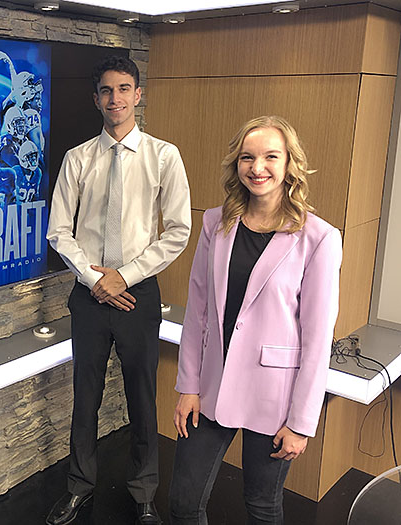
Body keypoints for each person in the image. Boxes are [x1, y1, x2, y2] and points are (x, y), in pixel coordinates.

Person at [170, 116, 342, 524]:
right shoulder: (215, 223)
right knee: (182, 503)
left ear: (288, 166)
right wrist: (188, 385)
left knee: (262, 507)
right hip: (210, 384)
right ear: (236, 164)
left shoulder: (318, 237)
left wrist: (301, 422)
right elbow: (198, 311)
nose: (257, 167)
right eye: (247, 157)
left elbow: (317, 339)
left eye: (270, 156)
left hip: (275, 398)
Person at [46, 55, 191, 525]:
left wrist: (121, 277)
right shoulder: (77, 159)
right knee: (83, 398)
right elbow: (58, 232)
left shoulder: (164, 156)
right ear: (96, 99)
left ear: (138, 94)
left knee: (141, 397)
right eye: (107, 91)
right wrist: (96, 280)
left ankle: (144, 491)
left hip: (137, 294)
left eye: (124, 89)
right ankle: (79, 486)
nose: (116, 99)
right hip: (89, 296)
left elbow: (177, 231)